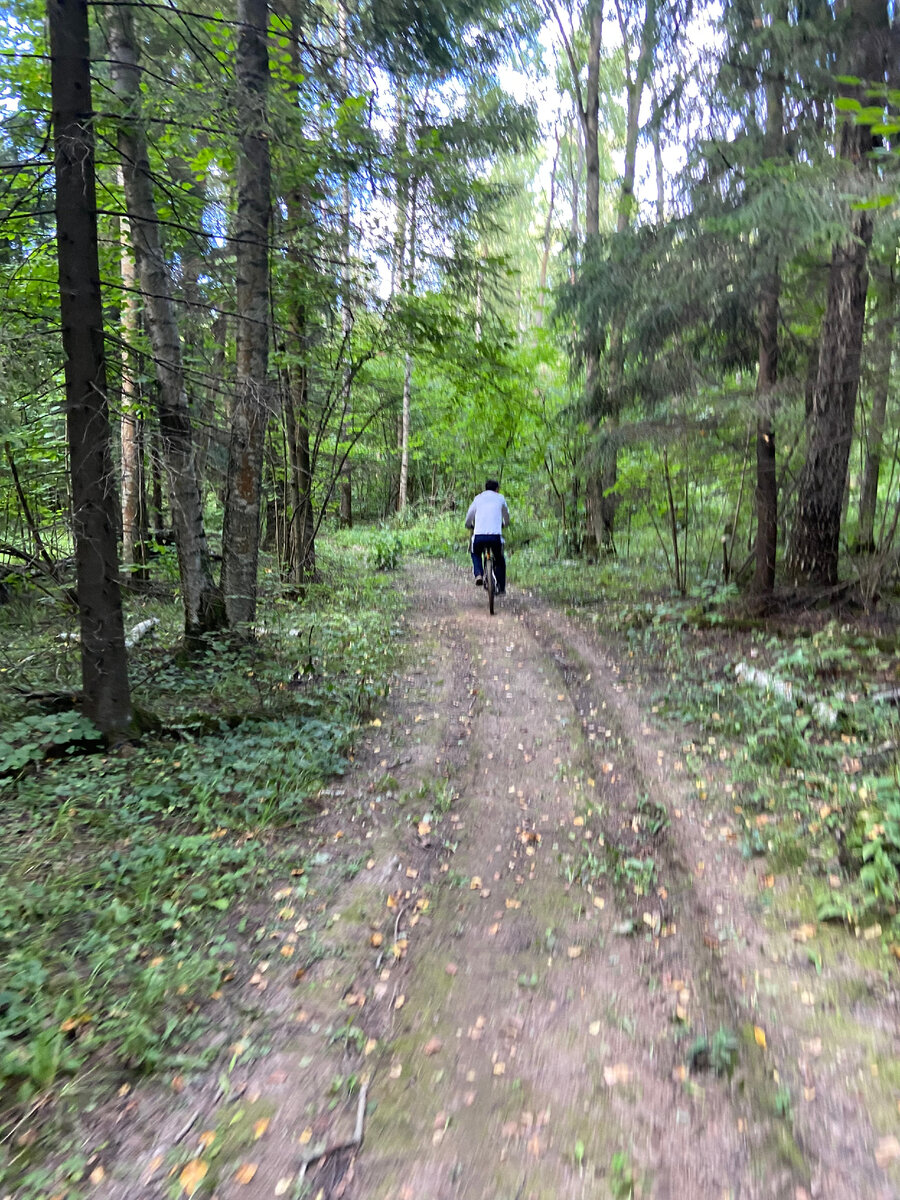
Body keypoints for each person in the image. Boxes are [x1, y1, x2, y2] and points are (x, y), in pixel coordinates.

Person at [465, 479, 509, 594]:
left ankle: (478, 573)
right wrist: (505, 524)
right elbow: (506, 516)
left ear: (485, 488)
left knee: (475, 553)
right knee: (499, 559)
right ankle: (501, 587)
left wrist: (469, 525)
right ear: (497, 489)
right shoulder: (500, 498)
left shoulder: (478, 498)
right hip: (495, 537)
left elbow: (469, 516)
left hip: (479, 536)